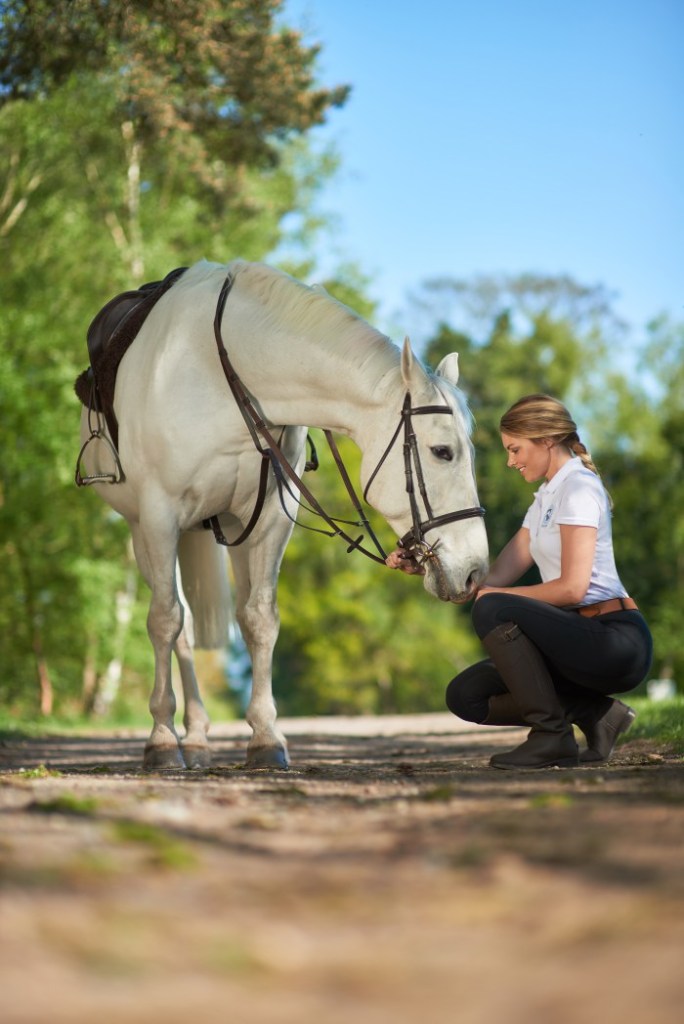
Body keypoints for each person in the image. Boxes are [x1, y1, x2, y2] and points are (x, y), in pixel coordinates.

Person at [387, 394, 653, 770]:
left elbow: (572, 589)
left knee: (494, 606)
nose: (511, 461)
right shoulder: (545, 497)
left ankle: (551, 738)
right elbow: (487, 584)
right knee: (466, 696)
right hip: (573, 638)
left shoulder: (577, 488)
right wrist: (427, 567)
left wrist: (495, 599)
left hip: (614, 641)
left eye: (515, 449)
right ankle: (597, 715)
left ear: (546, 440)